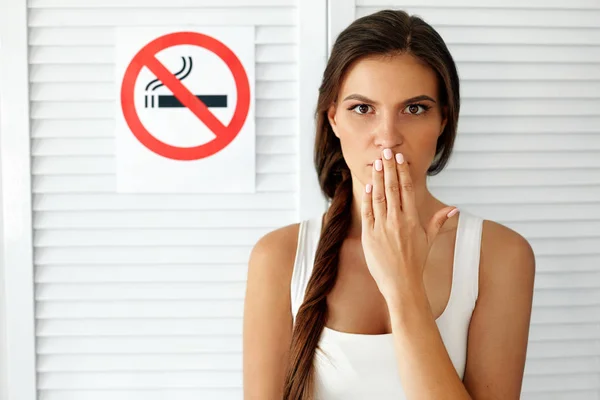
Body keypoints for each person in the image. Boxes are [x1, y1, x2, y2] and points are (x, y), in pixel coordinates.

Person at [243, 9, 535, 400]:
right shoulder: (279, 256)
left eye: (414, 109)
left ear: (443, 120)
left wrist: (403, 285)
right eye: (362, 109)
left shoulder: (499, 254)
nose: (387, 137)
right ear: (333, 119)